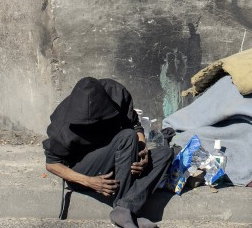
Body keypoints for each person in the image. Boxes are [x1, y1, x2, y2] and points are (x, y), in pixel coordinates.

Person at [44, 77, 173, 228]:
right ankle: (124, 212)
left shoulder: (117, 94)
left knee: (165, 153)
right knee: (126, 137)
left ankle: (125, 208)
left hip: (117, 157)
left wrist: (141, 148)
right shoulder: (63, 128)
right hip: (84, 170)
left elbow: (134, 125)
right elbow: (52, 164)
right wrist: (89, 181)